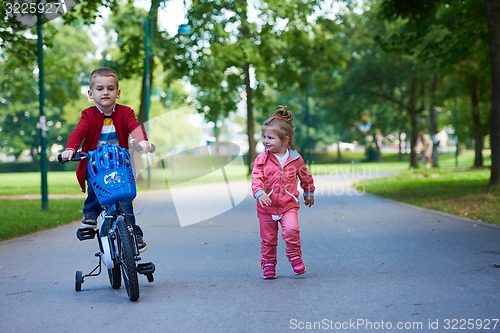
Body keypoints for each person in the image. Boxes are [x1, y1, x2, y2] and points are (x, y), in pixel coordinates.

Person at [60, 67, 152, 252]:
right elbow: (79, 132)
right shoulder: (88, 114)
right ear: (91, 93)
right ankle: (90, 215)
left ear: (118, 93)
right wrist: (71, 149)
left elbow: (134, 128)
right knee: (96, 187)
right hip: (96, 165)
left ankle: (134, 235)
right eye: (100, 89)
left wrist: (142, 142)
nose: (105, 92)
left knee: (125, 204)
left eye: (110, 88)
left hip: (119, 165)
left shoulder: (126, 112)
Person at [251, 106, 315, 279]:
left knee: (292, 230)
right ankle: (269, 265)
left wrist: (309, 191)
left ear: (285, 140)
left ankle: (294, 257)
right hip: (266, 206)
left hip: (288, 205)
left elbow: (305, 176)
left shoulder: (295, 159)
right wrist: (258, 192)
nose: (266, 141)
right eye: (264, 137)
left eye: (270, 138)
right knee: (268, 239)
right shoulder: (262, 159)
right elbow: (256, 177)